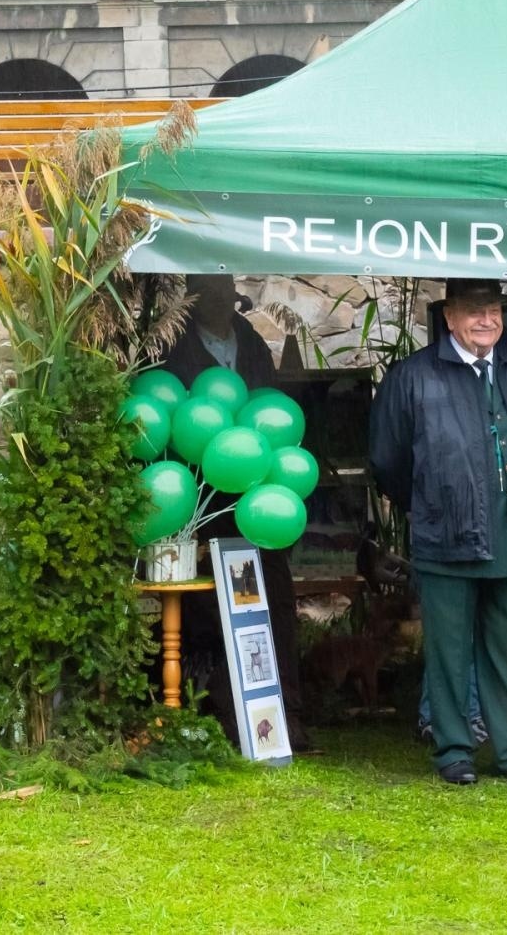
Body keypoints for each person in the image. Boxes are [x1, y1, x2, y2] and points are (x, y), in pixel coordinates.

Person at [369, 277, 507, 785]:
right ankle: (454, 752)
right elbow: (387, 459)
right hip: (445, 538)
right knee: (449, 653)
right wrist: (430, 503)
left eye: (493, 310)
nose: (486, 320)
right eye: (474, 311)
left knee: (506, 651)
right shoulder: (413, 376)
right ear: (448, 317)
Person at [162, 274, 315, 754]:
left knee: (276, 608)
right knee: (213, 615)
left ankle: (286, 719)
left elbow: (268, 412)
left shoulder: (249, 340)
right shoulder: (175, 345)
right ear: (193, 297)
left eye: (226, 291)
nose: (221, 300)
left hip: (260, 503)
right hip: (204, 505)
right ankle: (225, 719)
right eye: (210, 292)